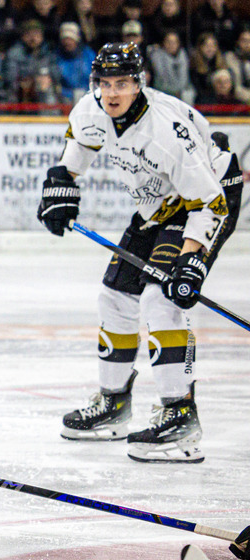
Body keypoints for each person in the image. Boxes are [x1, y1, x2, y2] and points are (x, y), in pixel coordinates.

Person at [37, 43, 243, 462]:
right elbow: (75, 152)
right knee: (114, 296)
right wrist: (59, 187)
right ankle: (113, 405)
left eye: (124, 83)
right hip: (158, 206)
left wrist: (192, 261)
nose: (112, 93)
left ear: (140, 84)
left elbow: (210, 201)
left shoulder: (165, 131)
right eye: (105, 83)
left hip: (207, 199)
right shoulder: (91, 111)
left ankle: (180, 415)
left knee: (161, 299)